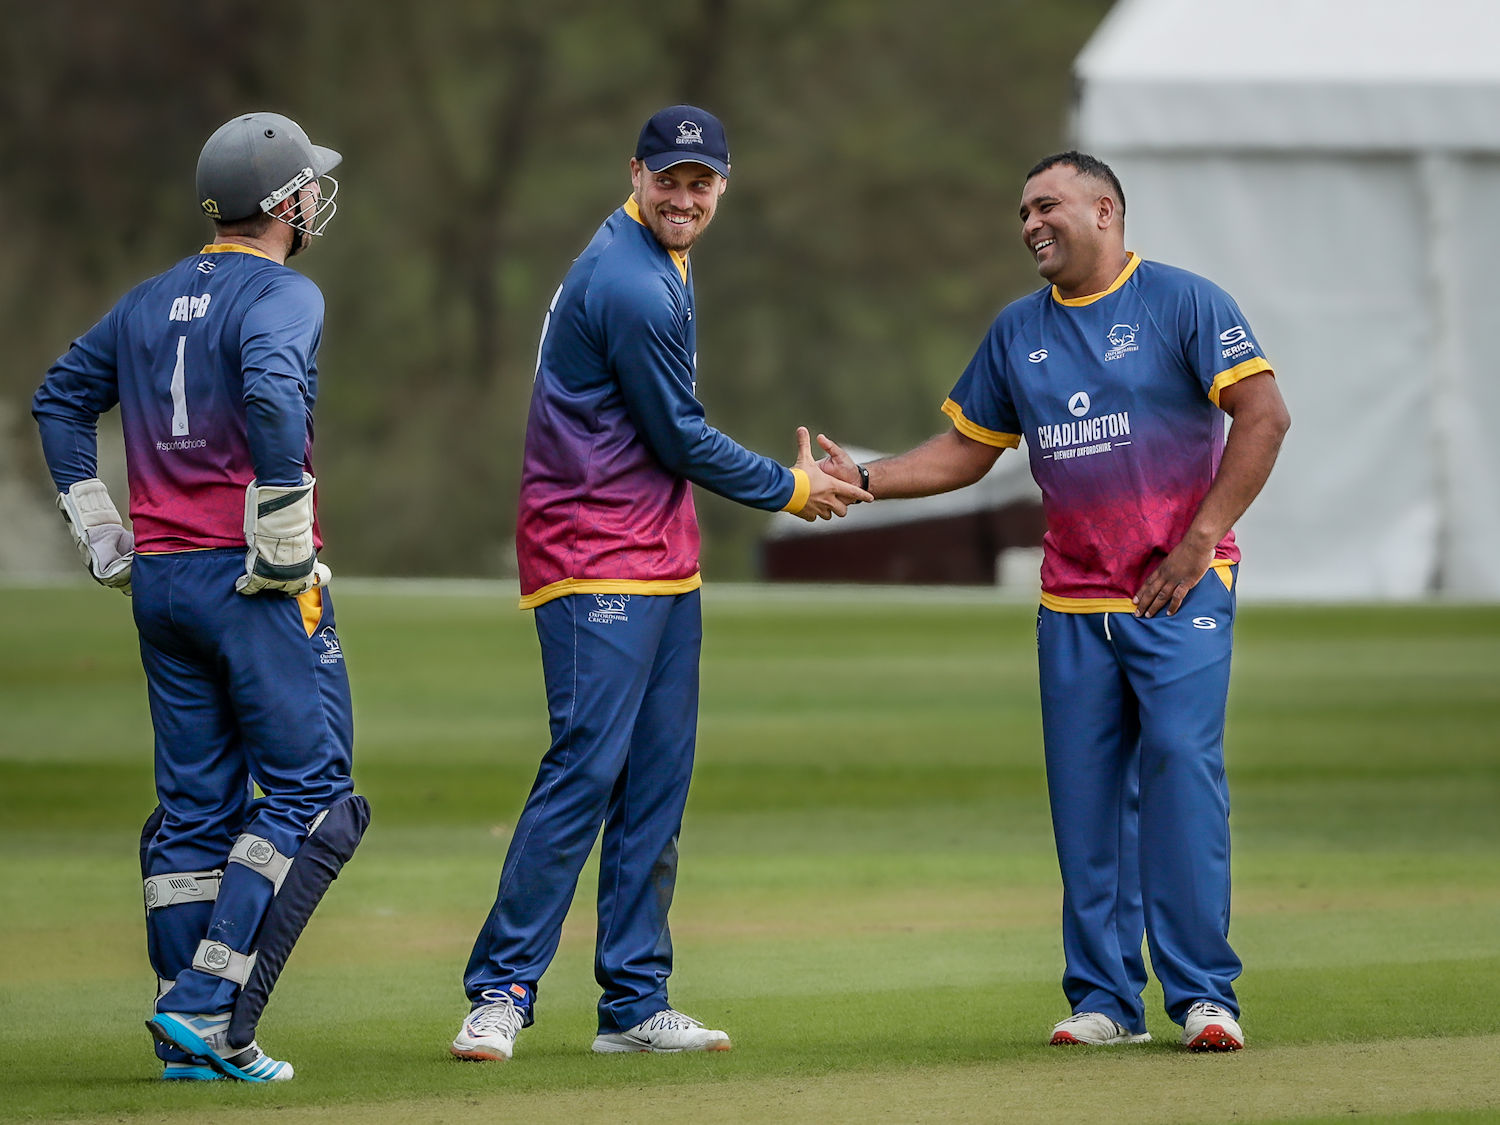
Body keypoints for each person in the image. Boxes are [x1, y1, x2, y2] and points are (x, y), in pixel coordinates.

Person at [818, 152, 1289, 1051]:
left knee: (1183, 776)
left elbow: (1264, 416)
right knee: (1086, 803)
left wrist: (1199, 540)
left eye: (1048, 205)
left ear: (1105, 211)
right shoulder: (1016, 331)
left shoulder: (1185, 302)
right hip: (1071, 601)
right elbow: (964, 451)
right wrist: (867, 476)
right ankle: (1107, 1000)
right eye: (1023, 211)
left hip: (1176, 589)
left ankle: (1203, 995)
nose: (1031, 223)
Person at [451, 104, 869, 1062]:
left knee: (655, 785)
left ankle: (634, 1001)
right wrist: (790, 487)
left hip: (659, 553)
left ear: (723, 185)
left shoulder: (663, 258)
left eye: (702, 182)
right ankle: (501, 990)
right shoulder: (631, 281)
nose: (685, 197)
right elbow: (678, 434)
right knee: (587, 769)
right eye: (670, 179)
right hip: (590, 548)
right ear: (635, 173)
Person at [32, 112, 370, 1083]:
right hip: (250, 580)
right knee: (312, 795)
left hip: (164, 583)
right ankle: (206, 1005)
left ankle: (191, 1046)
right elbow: (270, 391)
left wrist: (97, 519)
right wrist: (282, 513)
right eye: (310, 186)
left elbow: (59, 398)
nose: (316, 200)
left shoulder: (147, 299)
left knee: (192, 814)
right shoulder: (286, 291)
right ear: (287, 203)